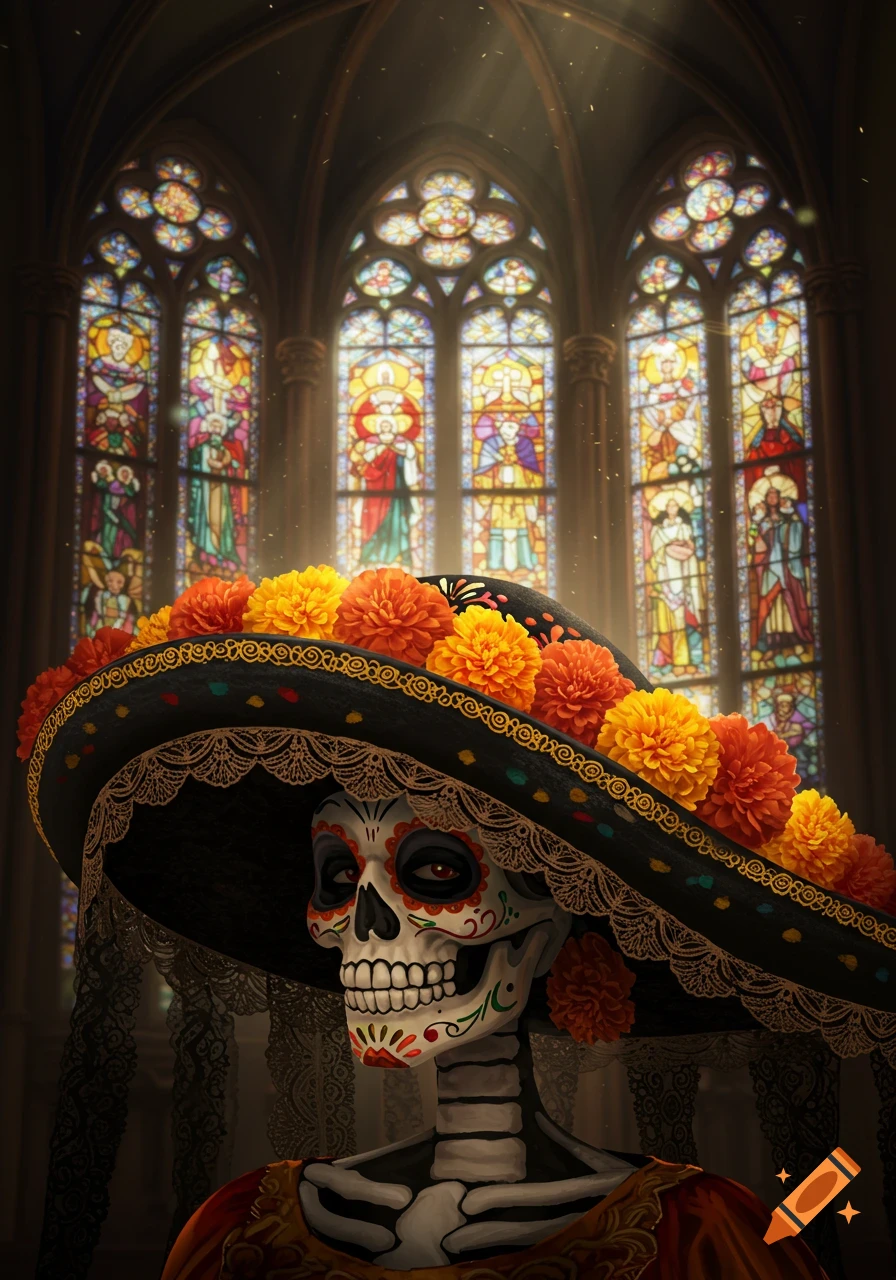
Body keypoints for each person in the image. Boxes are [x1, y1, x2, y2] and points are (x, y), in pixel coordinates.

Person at [25, 568, 871, 1279]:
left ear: (547, 926)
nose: (366, 928)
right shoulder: (241, 1233)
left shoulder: (697, 1238)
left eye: (434, 872)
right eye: (337, 876)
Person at [349, 362, 422, 566]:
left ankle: (400, 556)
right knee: (371, 522)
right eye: (382, 423)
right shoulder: (369, 444)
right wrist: (381, 447)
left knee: (398, 521)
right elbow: (362, 465)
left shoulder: (403, 443)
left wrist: (396, 448)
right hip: (374, 491)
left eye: (390, 423)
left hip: (397, 490)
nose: (386, 426)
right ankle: (370, 556)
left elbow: (410, 455)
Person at [748, 469, 813, 657]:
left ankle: (795, 638)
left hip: (787, 567)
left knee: (791, 601)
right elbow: (752, 537)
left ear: (781, 497)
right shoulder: (761, 520)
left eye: (775, 494)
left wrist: (788, 519)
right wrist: (758, 523)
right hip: (770, 567)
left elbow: (798, 537)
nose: (772, 497)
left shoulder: (791, 517)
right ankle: (770, 640)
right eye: (769, 494)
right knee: (768, 601)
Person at [646, 488, 705, 676]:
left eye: (675, 506)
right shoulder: (657, 531)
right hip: (665, 580)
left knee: (682, 621)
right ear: (665, 508)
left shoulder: (684, 528)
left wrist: (684, 546)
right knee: (667, 623)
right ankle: (669, 661)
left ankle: (684, 660)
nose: (672, 508)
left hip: (682, 577)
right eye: (669, 506)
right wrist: (668, 548)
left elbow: (691, 548)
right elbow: (655, 557)